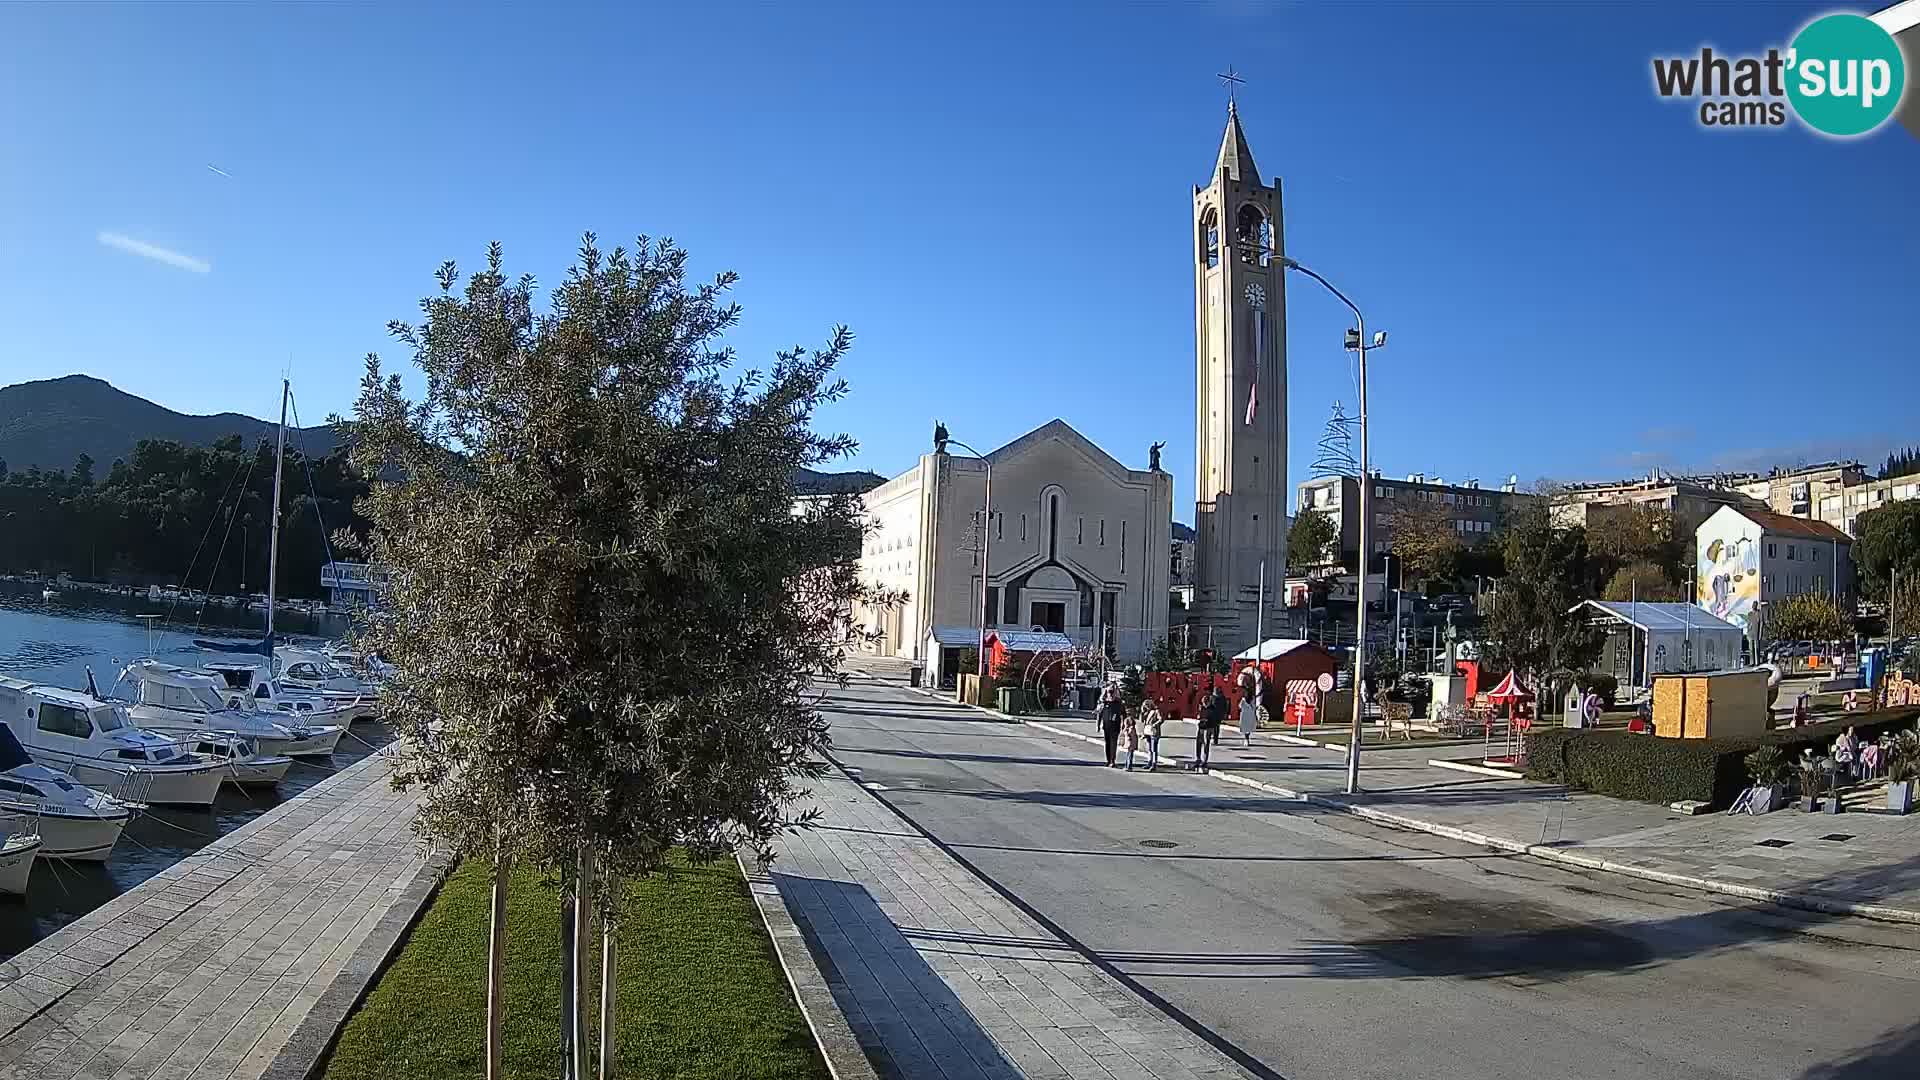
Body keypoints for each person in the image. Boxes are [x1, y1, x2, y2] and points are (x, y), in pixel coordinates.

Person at [1197, 686, 1227, 772]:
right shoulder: (1203, 708)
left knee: (1206, 743)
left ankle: (1204, 760)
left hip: (1209, 726)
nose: (1204, 704)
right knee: (1200, 743)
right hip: (1203, 727)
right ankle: (1199, 758)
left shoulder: (1212, 708)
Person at [1099, 683, 1125, 767]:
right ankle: (1108, 760)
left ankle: (1112, 761)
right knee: (1107, 743)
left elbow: (1123, 714)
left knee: (1113, 743)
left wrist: (1124, 725)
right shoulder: (1104, 702)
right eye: (1109, 691)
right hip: (1106, 726)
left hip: (1115, 725)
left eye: (1112, 691)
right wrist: (1098, 725)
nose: (1111, 693)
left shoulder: (1118, 703)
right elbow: (1099, 714)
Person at [1237, 668, 1262, 747]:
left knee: (1245, 727)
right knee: (1248, 727)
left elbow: (1240, 706)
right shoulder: (1252, 699)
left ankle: (1246, 739)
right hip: (1250, 712)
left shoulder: (1244, 698)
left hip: (1245, 713)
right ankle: (1247, 739)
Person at [1138, 700, 1164, 772]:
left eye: (1147, 706)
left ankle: (1154, 764)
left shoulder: (1156, 711)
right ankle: (1149, 762)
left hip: (1154, 732)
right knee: (1149, 748)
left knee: (1154, 749)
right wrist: (1142, 712)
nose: (1146, 707)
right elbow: (1142, 720)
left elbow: (1161, 719)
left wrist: (1154, 724)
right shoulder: (1147, 712)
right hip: (1147, 732)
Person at [1120, 704, 1140, 771]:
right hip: (1133, 738)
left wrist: (1125, 733)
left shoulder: (1127, 721)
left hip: (1130, 738)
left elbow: (1126, 729)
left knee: (1129, 753)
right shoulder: (1132, 723)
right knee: (1130, 753)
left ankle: (1128, 766)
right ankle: (1128, 765)